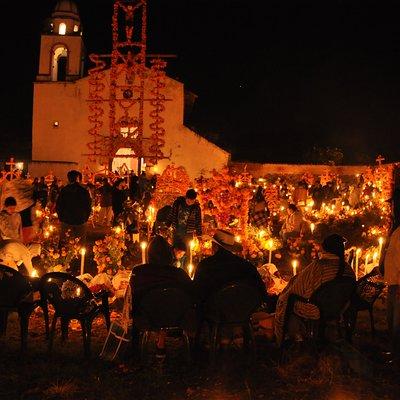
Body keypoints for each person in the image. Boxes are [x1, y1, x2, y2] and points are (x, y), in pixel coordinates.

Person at [274, 234, 355, 345]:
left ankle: (289, 338)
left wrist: (288, 290)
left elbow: (298, 288)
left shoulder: (318, 266)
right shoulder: (348, 269)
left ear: (325, 248)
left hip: (315, 308)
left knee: (286, 299)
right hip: (338, 307)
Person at [130, 235, 194, 359]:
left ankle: (136, 351)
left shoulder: (139, 272)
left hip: (148, 317)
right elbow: (191, 292)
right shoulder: (179, 274)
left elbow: (135, 296)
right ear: (169, 254)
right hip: (176, 317)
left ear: (149, 254)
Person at [193, 229, 266, 305]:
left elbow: (197, 293)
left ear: (215, 246)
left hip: (212, 312)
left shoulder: (205, 265)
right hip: (242, 312)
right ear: (231, 248)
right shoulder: (247, 266)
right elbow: (261, 292)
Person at [56, 170, 92, 244]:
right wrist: (85, 217)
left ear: (68, 178)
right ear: (78, 178)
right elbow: (88, 205)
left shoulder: (64, 190)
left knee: (65, 241)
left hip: (66, 219)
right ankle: (79, 255)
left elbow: (59, 205)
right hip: (80, 219)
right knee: (80, 242)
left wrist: (61, 217)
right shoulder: (83, 191)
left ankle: (65, 254)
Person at [383, 221, 400, 359]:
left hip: (397, 283)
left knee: (396, 321)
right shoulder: (396, 231)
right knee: (391, 317)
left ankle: (396, 354)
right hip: (393, 281)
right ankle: (393, 351)